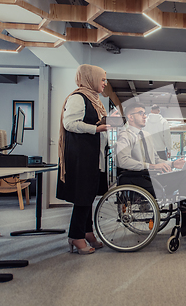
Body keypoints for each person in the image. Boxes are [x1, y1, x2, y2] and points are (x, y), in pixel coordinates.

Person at [116, 101, 186, 232]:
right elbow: (122, 161)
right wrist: (152, 166)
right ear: (130, 117)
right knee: (185, 177)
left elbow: (155, 159)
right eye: (141, 113)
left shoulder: (147, 135)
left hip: (151, 177)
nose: (145, 116)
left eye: (145, 113)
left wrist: (172, 163)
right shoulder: (125, 135)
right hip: (138, 180)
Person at [56, 64, 109, 255]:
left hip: (92, 155)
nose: (105, 83)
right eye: (102, 79)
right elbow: (69, 123)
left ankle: (87, 232)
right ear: (91, 78)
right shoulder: (78, 98)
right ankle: (75, 236)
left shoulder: (94, 99)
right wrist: (96, 129)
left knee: (88, 195)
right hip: (81, 156)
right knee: (82, 197)